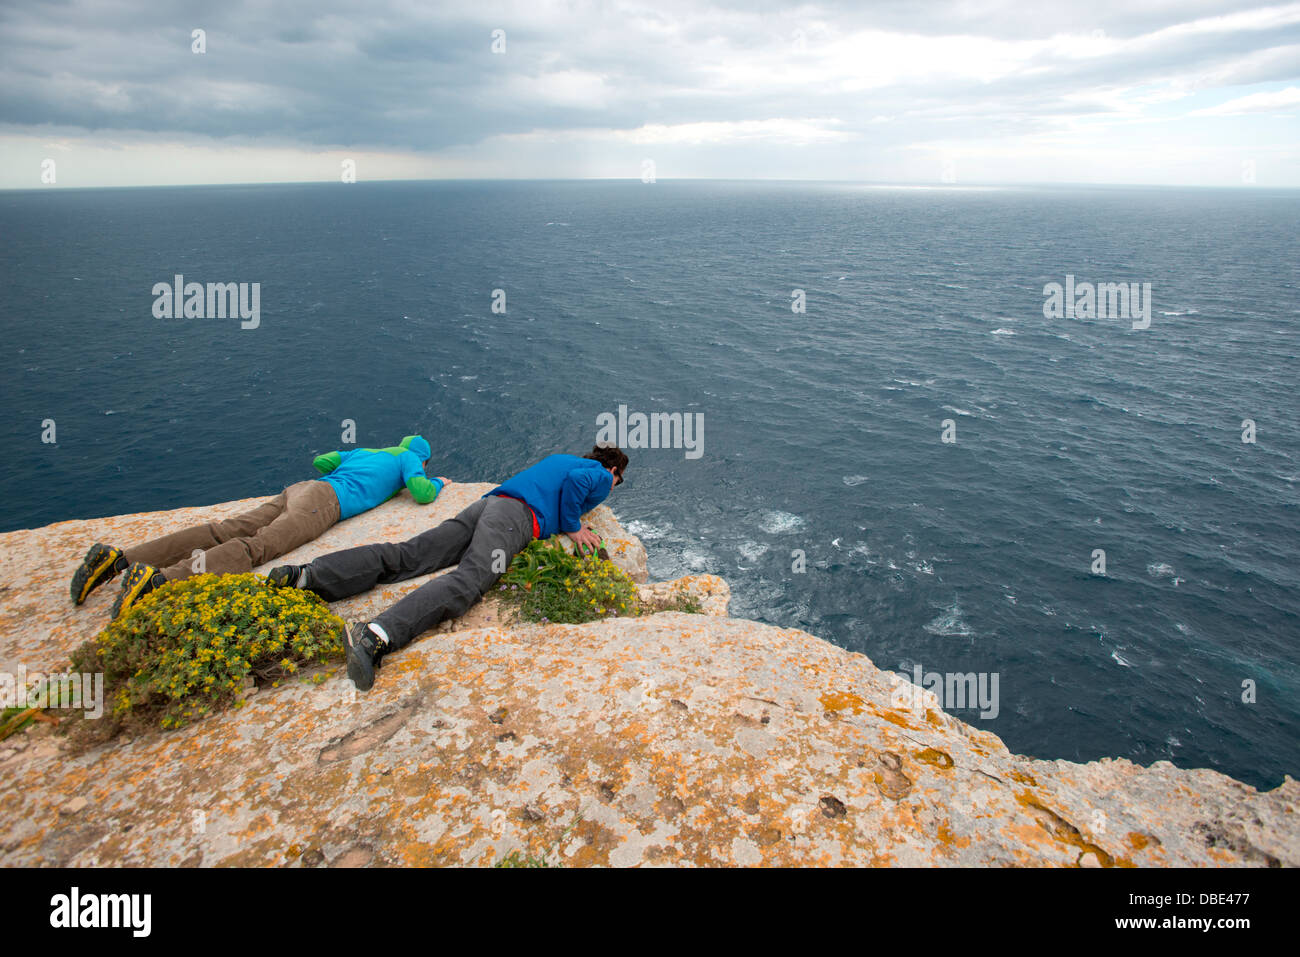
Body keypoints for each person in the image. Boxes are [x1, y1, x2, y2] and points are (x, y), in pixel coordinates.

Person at [268, 444, 628, 692]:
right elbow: (580, 485)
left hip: (488, 505)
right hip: (515, 518)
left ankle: (309, 575)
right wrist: (573, 525)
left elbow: (563, 480)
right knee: (469, 581)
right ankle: (374, 635)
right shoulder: (598, 474)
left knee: (409, 555)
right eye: (619, 481)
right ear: (614, 469)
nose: (615, 486)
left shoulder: (561, 459)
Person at [70, 435, 448, 619]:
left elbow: (322, 460)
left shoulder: (369, 451)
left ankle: (118, 560)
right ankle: (159, 582)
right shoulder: (411, 458)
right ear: (424, 458)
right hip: (324, 504)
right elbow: (420, 492)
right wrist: (438, 484)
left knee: (224, 529)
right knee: (257, 547)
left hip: (301, 489)